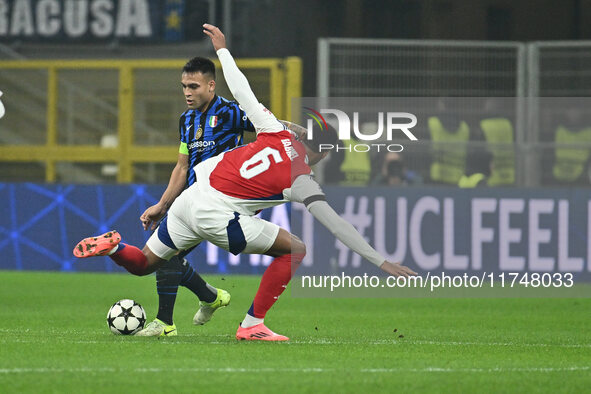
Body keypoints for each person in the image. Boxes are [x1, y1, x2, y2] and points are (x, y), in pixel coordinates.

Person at [73, 24, 416, 341]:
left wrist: (222, 50)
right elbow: (336, 224)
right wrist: (380, 262)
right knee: (296, 249)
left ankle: (116, 247)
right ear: (323, 153)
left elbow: (241, 88)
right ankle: (252, 325)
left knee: (145, 263)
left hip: (190, 199)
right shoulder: (303, 180)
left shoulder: (272, 128)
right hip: (216, 214)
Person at [136, 56, 255, 336]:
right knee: (159, 257)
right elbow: (182, 165)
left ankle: (165, 324)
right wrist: (162, 205)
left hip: (219, 201)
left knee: (164, 257)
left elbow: (267, 127)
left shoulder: (229, 112)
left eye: (194, 86)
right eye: (184, 86)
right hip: (188, 202)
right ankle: (210, 297)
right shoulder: (186, 120)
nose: (187, 92)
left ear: (211, 85)